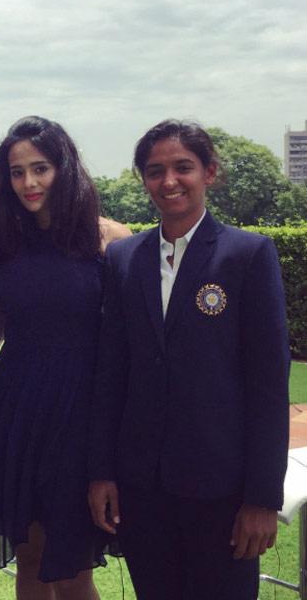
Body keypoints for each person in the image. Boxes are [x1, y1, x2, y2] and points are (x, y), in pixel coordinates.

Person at [87, 120, 290, 600]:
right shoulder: (124, 259)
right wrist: (102, 472)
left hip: (221, 489)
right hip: (141, 487)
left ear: (210, 173)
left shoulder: (246, 255)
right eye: (155, 171)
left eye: (183, 168)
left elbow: (267, 384)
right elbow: (111, 373)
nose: (169, 181)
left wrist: (262, 498)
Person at [0, 116, 128, 600]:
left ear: (65, 168)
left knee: (72, 569)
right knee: (28, 559)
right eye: (16, 171)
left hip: (82, 415)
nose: (28, 182)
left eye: (40, 168)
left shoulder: (111, 241)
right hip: (15, 412)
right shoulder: (1, 242)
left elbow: (128, 349)